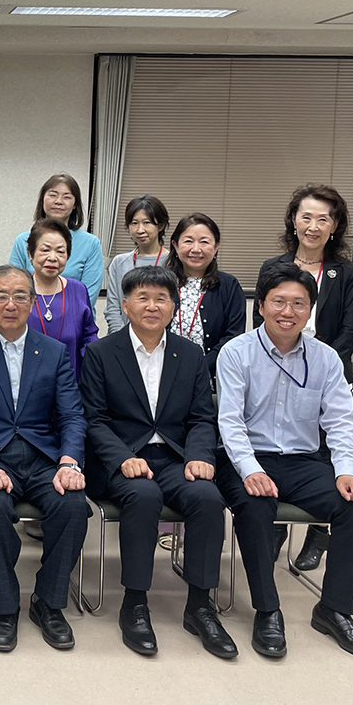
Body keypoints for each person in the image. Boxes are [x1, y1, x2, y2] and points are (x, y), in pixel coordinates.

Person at [216, 262, 353, 660]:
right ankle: (267, 610)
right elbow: (230, 422)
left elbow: (341, 421)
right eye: (278, 302)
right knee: (256, 506)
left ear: (310, 310)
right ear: (261, 307)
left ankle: (334, 610)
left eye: (298, 303)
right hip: (247, 458)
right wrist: (251, 470)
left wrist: (347, 472)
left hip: (303, 461)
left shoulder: (326, 358)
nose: (287, 312)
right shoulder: (236, 353)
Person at [80, 266, 235, 658]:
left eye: (161, 298)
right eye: (143, 298)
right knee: (143, 496)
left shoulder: (190, 354)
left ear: (173, 305)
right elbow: (93, 420)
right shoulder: (101, 353)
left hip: (175, 457)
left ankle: (200, 605)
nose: (152, 306)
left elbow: (202, 418)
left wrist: (199, 456)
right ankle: (135, 603)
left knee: (208, 498)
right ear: (125, 305)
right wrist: (122, 458)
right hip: (121, 459)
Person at [0, 265, 89, 652]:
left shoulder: (54, 351)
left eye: (20, 296)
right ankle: (5, 605)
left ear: (33, 301)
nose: (11, 304)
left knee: (73, 505)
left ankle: (48, 602)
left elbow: (72, 415)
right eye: (1, 296)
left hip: (42, 456)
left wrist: (68, 462)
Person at [255, 184, 353, 571]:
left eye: (323, 219)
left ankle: (319, 533)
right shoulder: (274, 266)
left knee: (324, 456)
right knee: (280, 450)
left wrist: (317, 366)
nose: (313, 226)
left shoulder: (346, 272)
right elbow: (260, 324)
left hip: (327, 373)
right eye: (306, 217)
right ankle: (277, 527)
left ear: (334, 226)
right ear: (293, 221)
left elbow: (350, 330)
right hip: (277, 370)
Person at [165, 213, 245, 379]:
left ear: (216, 247)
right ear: (175, 245)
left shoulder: (229, 285)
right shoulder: (161, 283)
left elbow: (234, 336)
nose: (196, 249)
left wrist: (200, 366)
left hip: (211, 376)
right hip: (163, 373)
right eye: (188, 241)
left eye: (204, 242)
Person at [9, 173, 103, 305]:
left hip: (75, 314)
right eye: (53, 195)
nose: (58, 201)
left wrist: (57, 312)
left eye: (67, 197)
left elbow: (89, 295)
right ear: (42, 200)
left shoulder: (91, 243)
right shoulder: (22, 240)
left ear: (75, 204)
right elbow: (14, 285)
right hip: (30, 313)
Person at [25, 218, 99, 379]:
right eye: (45, 250)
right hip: (27, 383)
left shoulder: (78, 290)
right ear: (30, 253)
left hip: (70, 382)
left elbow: (89, 336)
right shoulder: (20, 291)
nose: (53, 258)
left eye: (60, 252)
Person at [105, 195, 170, 334]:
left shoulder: (173, 262)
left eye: (147, 222)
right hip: (123, 338)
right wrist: (123, 339)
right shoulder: (119, 262)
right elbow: (113, 308)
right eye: (134, 223)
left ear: (161, 226)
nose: (140, 230)